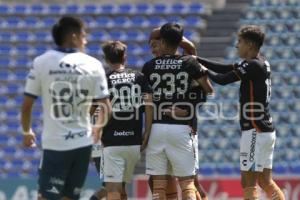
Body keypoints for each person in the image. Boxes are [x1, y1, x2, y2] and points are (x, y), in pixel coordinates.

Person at [21, 16, 111, 200]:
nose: (85, 40)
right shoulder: (93, 65)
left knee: (46, 197)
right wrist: (98, 127)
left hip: (55, 145)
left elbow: (27, 106)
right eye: (83, 35)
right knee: (70, 197)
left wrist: (26, 131)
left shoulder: (42, 62)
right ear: (73, 36)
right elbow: (106, 106)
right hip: (83, 144)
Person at [197, 25, 285, 200]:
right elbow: (226, 68)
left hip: (254, 131)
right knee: (265, 181)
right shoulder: (260, 62)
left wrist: (200, 71)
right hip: (264, 129)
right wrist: (198, 59)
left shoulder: (252, 66)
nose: (237, 45)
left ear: (250, 45)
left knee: (249, 183)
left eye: (240, 42)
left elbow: (222, 80)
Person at [142, 22, 213, 200]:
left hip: (161, 127)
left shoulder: (149, 67)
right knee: (186, 182)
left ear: (163, 42)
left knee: (161, 183)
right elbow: (208, 89)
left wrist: (147, 131)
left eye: (155, 44)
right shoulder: (189, 63)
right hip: (180, 129)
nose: (153, 49)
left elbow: (146, 102)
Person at [98, 41, 153, 200]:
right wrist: (147, 131)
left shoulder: (104, 80)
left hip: (112, 142)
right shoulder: (139, 77)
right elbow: (149, 105)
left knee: (113, 189)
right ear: (125, 57)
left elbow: (96, 110)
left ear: (107, 59)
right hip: (134, 142)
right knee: (121, 189)